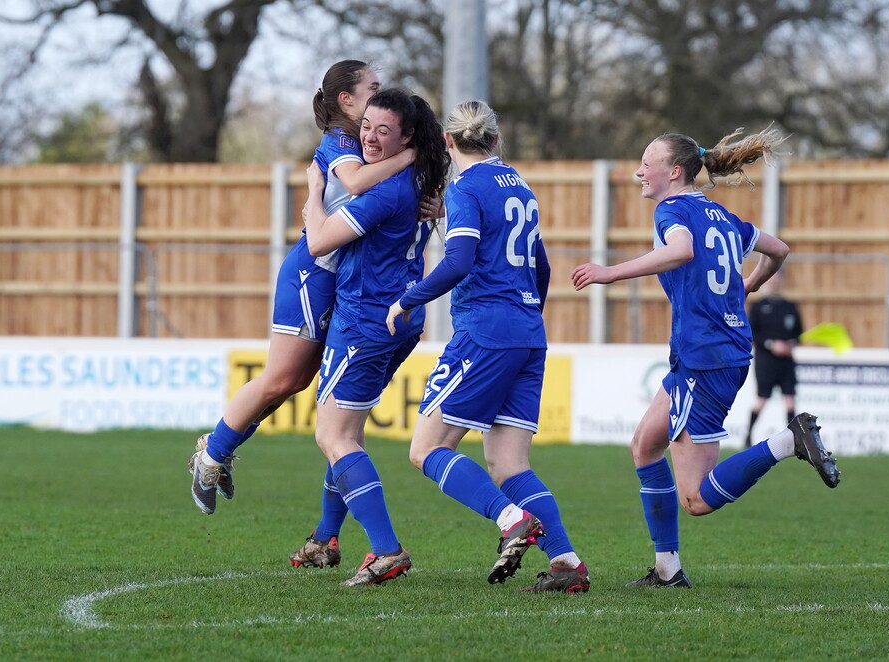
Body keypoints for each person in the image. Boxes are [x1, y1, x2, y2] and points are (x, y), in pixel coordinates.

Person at [571, 126, 840, 589]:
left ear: (673, 172)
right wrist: (749, 284)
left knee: (696, 498)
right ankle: (667, 571)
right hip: (710, 352)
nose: (638, 170)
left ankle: (787, 442)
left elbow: (681, 250)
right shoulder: (720, 214)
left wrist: (609, 273)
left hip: (706, 357)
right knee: (644, 446)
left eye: (646, 162)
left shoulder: (670, 208)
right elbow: (778, 249)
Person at [188, 60, 416, 518]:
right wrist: (412, 155)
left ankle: (325, 536)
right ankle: (210, 455)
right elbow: (352, 183)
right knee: (283, 377)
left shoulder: (370, 143)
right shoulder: (341, 142)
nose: (381, 92)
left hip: (346, 278)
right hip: (314, 270)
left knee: (314, 393)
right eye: (372, 87)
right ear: (347, 101)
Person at [386, 100, 589, 593]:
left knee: (427, 448)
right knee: (508, 462)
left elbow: (458, 261)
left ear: (449, 142)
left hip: (485, 332)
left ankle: (510, 520)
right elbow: (540, 266)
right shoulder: (520, 185)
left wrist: (406, 300)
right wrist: (525, 319)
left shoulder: (465, 188)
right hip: (527, 333)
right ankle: (566, 562)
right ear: (496, 141)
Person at [301, 87, 450, 586]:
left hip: (366, 321)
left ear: (407, 136)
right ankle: (324, 539)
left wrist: (312, 197)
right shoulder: (418, 178)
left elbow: (319, 239)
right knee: (347, 431)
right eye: (366, 126)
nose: (368, 136)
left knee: (333, 435)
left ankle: (387, 550)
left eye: (383, 131)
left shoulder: (385, 190)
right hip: (397, 321)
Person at [745, 271, 804, 447]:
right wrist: (772, 344)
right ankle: (748, 435)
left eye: (778, 278)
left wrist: (790, 345)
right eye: (771, 278)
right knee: (762, 398)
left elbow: (799, 334)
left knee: (790, 398)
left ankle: (794, 440)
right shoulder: (758, 306)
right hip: (766, 361)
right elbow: (752, 333)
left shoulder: (790, 306)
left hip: (786, 361)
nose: (774, 282)